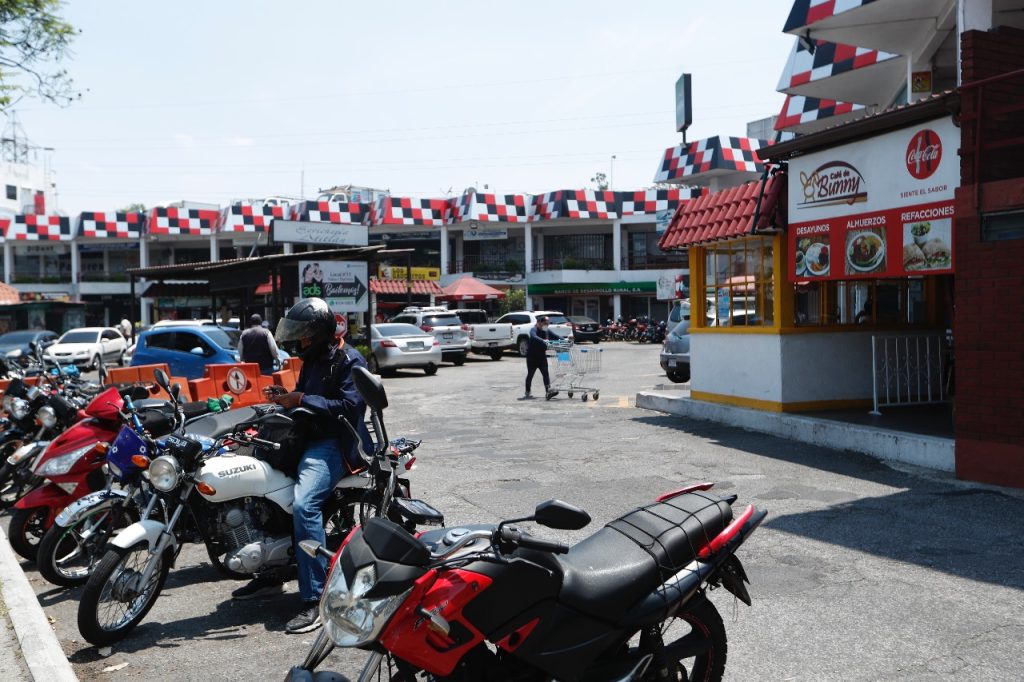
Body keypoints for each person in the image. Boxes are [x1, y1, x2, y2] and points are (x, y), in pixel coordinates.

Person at [231, 298, 371, 635]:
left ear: (321, 334)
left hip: (333, 443)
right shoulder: (312, 359)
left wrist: (302, 400)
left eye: (304, 337)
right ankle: (273, 572)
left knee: (305, 505)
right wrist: (287, 396)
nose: (299, 343)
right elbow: (305, 393)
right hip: (304, 436)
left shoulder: (351, 360)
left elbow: (351, 407)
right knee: (261, 488)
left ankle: (316, 599)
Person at [522, 315, 560, 400]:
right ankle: (527, 390)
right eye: (545, 323)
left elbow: (556, 336)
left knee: (546, 374)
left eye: (548, 323)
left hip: (542, 356)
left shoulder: (546, 330)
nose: (547, 325)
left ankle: (548, 391)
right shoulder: (534, 329)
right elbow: (533, 336)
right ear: (539, 323)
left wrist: (564, 340)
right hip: (532, 357)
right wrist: (543, 340)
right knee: (530, 374)